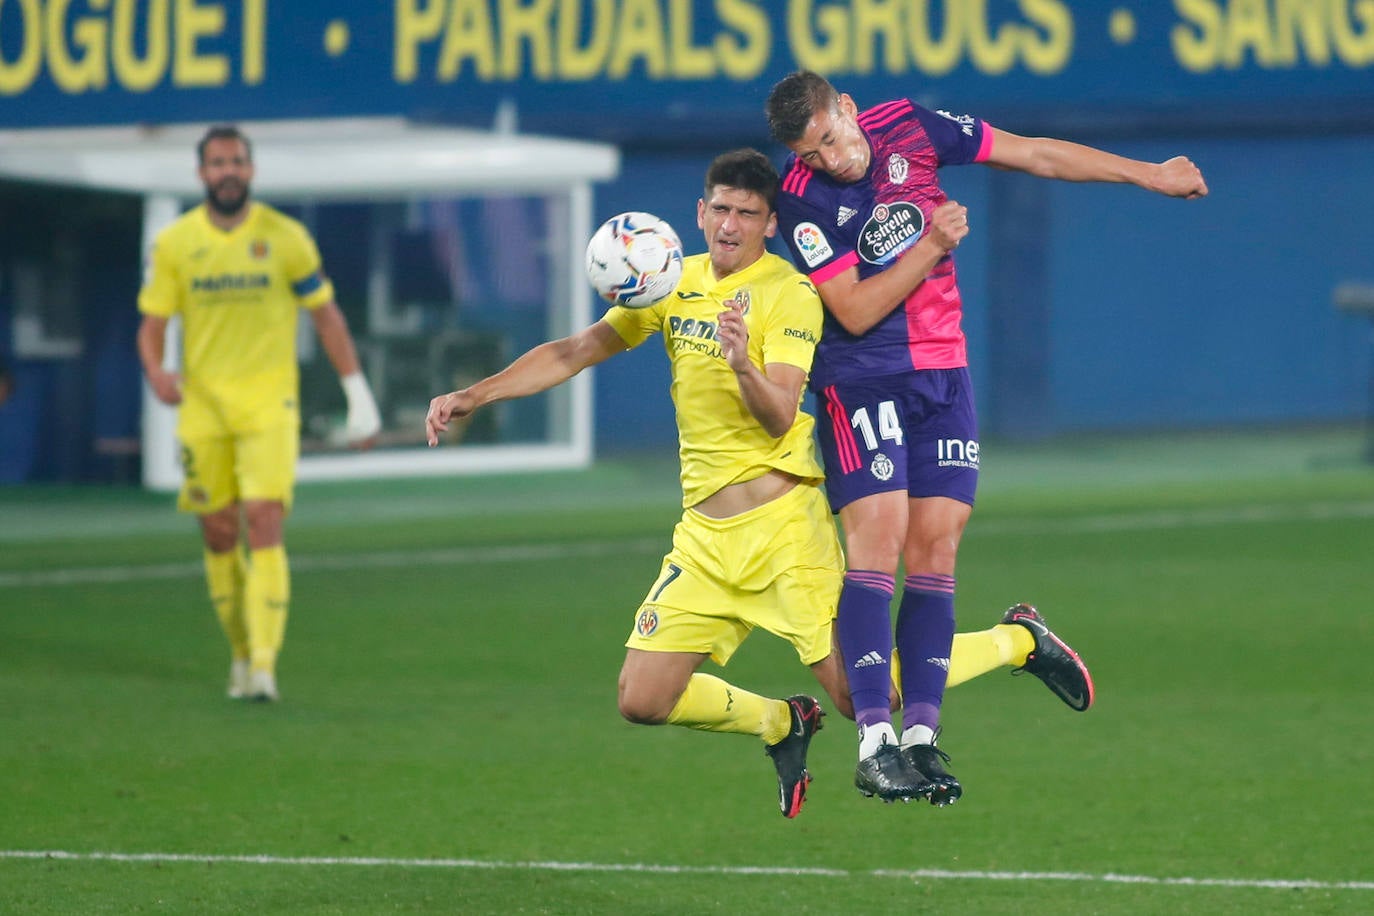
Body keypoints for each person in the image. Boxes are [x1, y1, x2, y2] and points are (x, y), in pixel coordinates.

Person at [425, 148, 1093, 816]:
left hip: (784, 534)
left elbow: (778, 418)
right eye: (720, 208)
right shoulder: (668, 284)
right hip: (707, 542)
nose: (730, 224)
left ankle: (1021, 640)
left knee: (872, 695)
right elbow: (574, 350)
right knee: (642, 699)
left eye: (747, 213)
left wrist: (742, 363)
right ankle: (780, 724)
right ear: (699, 211)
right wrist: (473, 396)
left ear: (770, 223)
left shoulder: (790, 295)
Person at [765, 71, 1206, 800]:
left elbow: (1033, 154)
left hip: (944, 373)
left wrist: (1148, 174)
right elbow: (852, 309)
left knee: (937, 545)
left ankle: (922, 737)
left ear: (847, 108)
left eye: (831, 139)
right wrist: (932, 244)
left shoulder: (910, 126)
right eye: (810, 153)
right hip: (862, 379)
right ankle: (875, 741)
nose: (828, 160)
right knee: (876, 540)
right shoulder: (802, 197)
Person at [137, 125, 381, 703]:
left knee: (265, 519)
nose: (228, 171)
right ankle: (241, 655)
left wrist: (358, 394)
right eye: (218, 163)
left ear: (251, 169)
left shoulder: (286, 238)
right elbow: (152, 326)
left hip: (270, 404)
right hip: (204, 409)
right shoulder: (175, 244)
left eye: (237, 162)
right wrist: (156, 371)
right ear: (202, 173)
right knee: (219, 532)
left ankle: (266, 665)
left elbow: (326, 316)